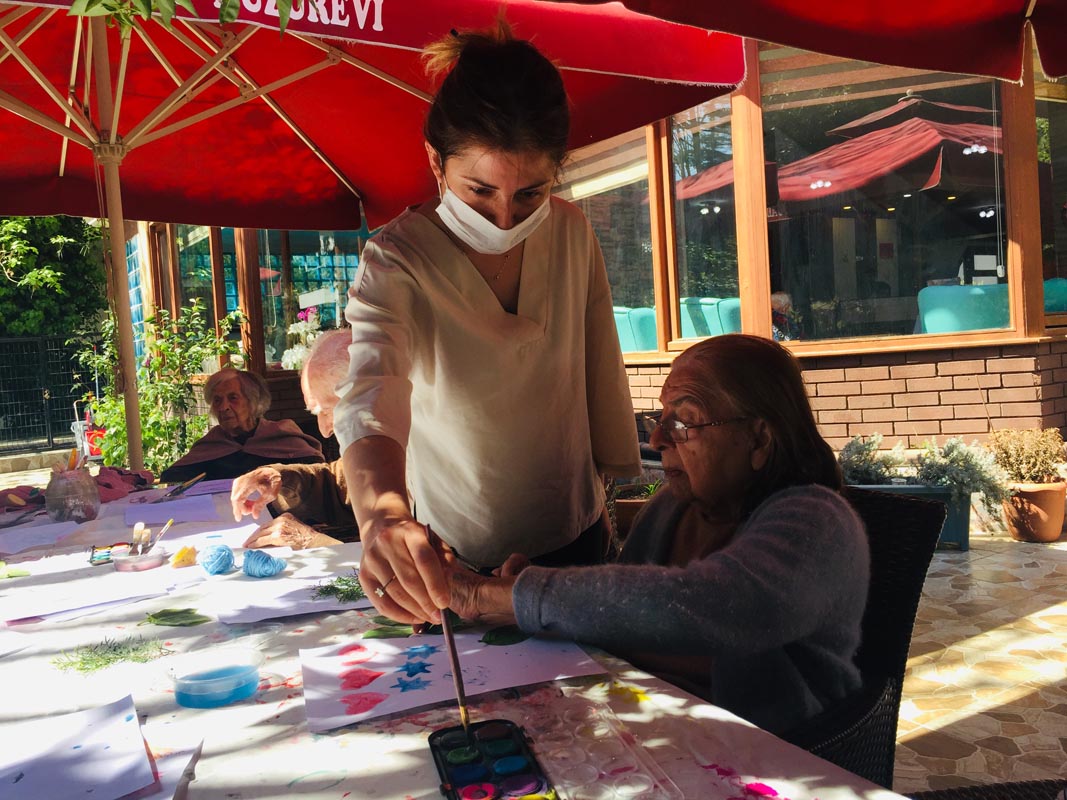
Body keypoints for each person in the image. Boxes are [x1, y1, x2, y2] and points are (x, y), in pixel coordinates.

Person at [334, 21, 640, 625]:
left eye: (530, 193)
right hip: (453, 557)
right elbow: (371, 393)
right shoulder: (396, 259)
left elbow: (598, 370)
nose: (504, 218)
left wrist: (608, 495)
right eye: (479, 191)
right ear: (435, 161)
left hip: (575, 535)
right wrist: (382, 517)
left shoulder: (572, 232)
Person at [447, 334, 870, 737]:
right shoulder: (672, 506)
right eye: (661, 419)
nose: (657, 439)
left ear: (758, 438)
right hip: (657, 730)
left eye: (684, 420)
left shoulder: (817, 520)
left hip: (780, 754)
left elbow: (718, 607)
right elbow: (625, 610)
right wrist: (527, 601)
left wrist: (502, 596)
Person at [231, 330, 358, 549]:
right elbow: (337, 484)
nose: (324, 430)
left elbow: (405, 565)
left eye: (328, 410)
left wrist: (311, 541)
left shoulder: (419, 459)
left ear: (370, 398)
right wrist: (280, 479)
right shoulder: (381, 448)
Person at [160, 368, 324, 483]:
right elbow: (171, 479)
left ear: (253, 402)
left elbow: (315, 474)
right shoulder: (212, 443)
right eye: (217, 400)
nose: (223, 407)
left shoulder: (282, 435)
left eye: (233, 398)